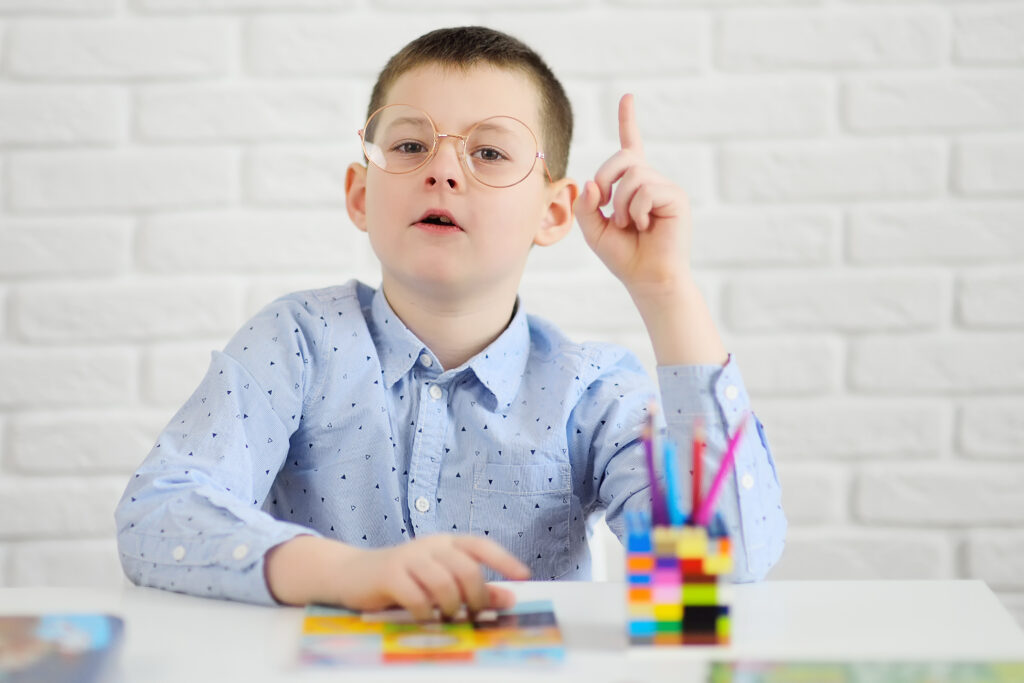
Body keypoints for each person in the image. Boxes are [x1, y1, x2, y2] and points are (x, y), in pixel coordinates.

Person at [114, 26, 785, 619]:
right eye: (410, 144)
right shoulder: (294, 342)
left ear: (554, 213)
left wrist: (665, 289)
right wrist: (346, 573)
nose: (441, 170)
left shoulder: (592, 388)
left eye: (490, 154)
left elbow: (728, 563)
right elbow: (158, 512)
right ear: (359, 194)